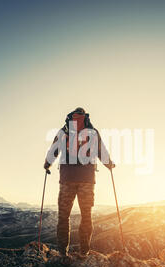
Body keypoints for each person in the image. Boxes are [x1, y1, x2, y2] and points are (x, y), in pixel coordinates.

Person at [44, 107, 114, 257]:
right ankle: (84, 251)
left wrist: (47, 165)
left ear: (70, 117)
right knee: (86, 216)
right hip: (87, 180)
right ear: (85, 117)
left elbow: (53, 151)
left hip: (67, 179)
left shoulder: (64, 131)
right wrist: (109, 165)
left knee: (63, 217)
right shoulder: (93, 132)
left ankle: (63, 252)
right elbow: (102, 151)